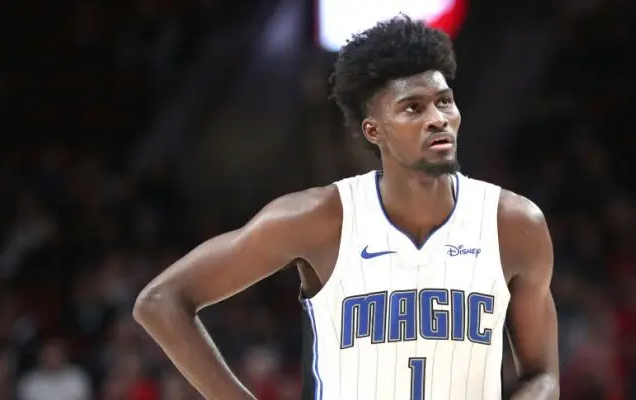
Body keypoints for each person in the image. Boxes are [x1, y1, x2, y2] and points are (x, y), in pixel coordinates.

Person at [133, 15, 559, 400]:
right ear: (374, 130)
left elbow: (543, 375)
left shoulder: (514, 225)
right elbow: (161, 301)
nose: (437, 118)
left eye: (444, 101)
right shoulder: (320, 219)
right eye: (413, 107)